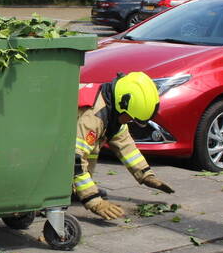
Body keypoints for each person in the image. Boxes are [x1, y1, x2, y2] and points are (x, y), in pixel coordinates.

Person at [73, 72, 175, 220]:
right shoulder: (93, 116)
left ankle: (74, 190)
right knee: (77, 153)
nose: (130, 121)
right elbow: (74, 158)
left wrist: (146, 175)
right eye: (131, 117)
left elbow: (126, 146)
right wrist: (93, 200)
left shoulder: (112, 109)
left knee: (89, 150)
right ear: (123, 104)